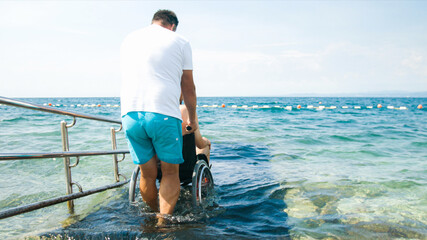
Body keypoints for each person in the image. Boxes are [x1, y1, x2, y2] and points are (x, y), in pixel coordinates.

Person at [120, 9, 198, 220]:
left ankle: (152, 216)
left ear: (154, 22)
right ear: (172, 25)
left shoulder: (130, 38)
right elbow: (188, 86)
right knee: (171, 172)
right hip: (163, 113)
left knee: (147, 174)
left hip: (130, 114)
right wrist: (192, 117)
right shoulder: (180, 41)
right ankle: (163, 224)